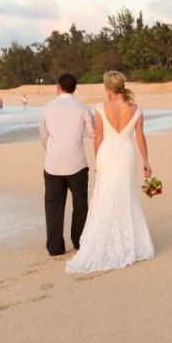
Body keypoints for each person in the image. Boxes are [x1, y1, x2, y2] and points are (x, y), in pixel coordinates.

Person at [66, 71, 154, 273]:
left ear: (108, 89)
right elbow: (140, 138)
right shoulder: (137, 109)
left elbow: (98, 138)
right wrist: (147, 163)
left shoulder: (100, 108)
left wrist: (98, 160)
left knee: (105, 196)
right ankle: (129, 242)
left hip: (107, 154)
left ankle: (105, 241)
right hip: (126, 154)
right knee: (126, 196)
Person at [40, 73, 95, 256]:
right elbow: (93, 134)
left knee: (53, 205)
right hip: (77, 163)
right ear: (74, 87)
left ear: (58, 87)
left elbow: (44, 136)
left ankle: (55, 247)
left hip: (53, 164)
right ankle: (79, 241)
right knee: (80, 205)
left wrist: (52, 151)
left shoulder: (47, 108)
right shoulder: (83, 109)